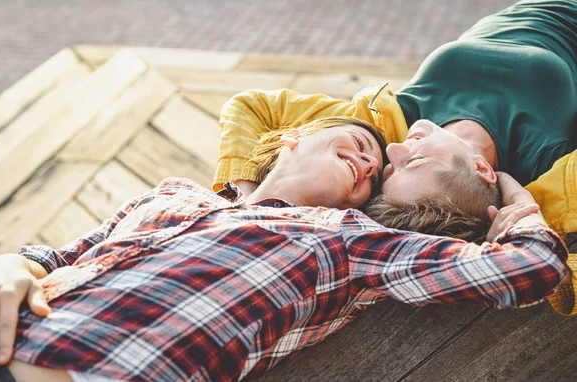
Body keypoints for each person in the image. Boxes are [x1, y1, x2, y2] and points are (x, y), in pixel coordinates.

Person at [0, 117, 567, 381]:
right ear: (291, 140)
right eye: (360, 141)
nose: (370, 159)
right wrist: (1, 264)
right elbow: (53, 258)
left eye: (371, 175)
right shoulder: (174, 195)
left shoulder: (347, 241)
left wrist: (511, 194)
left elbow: (530, 270)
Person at [213, 0, 577, 314]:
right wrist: (519, 204)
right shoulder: (548, 167)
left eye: (389, 169)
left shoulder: (384, 128)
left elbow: (252, 107)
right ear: (482, 169)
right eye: (411, 163)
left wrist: (244, 200)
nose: (394, 149)